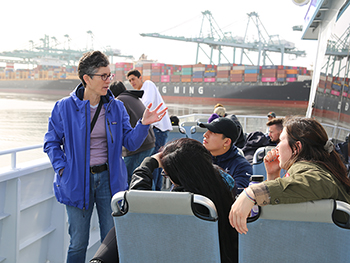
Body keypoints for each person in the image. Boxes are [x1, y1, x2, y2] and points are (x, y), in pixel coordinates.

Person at [43, 51, 168, 263]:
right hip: (75, 181)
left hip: (109, 182)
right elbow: (51, 142)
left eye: (109, 75)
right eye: (103, 76)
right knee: (78, 243)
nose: (109, 80)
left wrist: (143, 124)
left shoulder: (116, 107)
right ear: (86, 79)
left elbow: (130, 142)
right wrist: (63, 169)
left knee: (111, 242)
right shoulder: (64, 107)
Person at [90, 138, 238, 263]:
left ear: (180, 177)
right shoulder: (224, 183)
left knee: (126, 221)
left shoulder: (183, 201)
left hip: (171, 254)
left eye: (167, 175)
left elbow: (136, 203)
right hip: (216, 254)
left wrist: (147, 164)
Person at [229, 116, 350, 235]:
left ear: (297, 147)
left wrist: (252, 193)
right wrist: (273, 175)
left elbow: (319, 182)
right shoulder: (317, 166)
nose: (276, 147)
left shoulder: (309, 169)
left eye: (281, 141)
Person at [127, 69, 173, 191]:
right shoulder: (143, 90)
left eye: (133, 79)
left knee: (155, 161)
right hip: (155, 129)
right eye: (130, 81)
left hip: (158, 129)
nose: (132, 82)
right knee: (155, 162)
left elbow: (146, 105)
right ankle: (156, 190)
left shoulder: (148, 85)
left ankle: (156, 190)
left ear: (140, 77)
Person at [109, 81, 155, 185]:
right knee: (143, 175)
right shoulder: (133, 98)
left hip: (138, 146)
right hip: (148, 141)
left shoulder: (119, 101)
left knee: (133, 178)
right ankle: (152, 196)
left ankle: (140, 200)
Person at [200, 117, 252, 193]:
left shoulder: (241, 166)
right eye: (207, 130)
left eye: (213, 132)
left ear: (227, 142)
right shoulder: (198, 158)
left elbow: (237, 195)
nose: (205, 135)